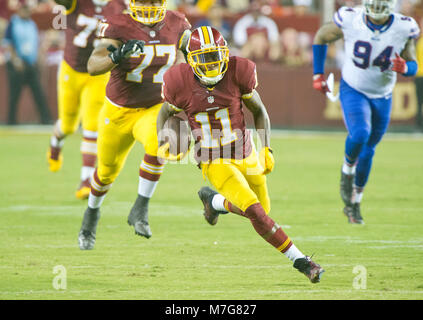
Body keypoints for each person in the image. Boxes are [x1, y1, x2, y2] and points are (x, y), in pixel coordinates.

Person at [156, 26, 325, 283]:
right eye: (204, 58)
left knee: (261, 211)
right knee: (257, 213)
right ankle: (302, 262)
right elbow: (164, 113)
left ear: (225, 53)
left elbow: (259, 110)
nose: (212, 64)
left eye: (215, 56)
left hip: (245, 150)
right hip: (212, 158)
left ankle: (213, 202)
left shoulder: (239, 71)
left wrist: (266, 147)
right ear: (191, 60)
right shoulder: (179, 82)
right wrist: (164, 139)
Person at [77, 0, 192, 250]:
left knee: (161, 142)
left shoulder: (177, 23)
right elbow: (93, 65)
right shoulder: (117, 24)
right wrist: (117, 56)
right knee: (106, 172)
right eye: (143, 1)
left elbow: (191, 52)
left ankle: (141, 206)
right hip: (117, 112)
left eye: (153, 1)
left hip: (152, 107)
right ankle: (91, 215)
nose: (149, 6)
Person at [312, 0, 419, 224]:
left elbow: (413, 64)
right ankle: (346, 169)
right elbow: (321, 35)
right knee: (360, 133)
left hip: (383, 95)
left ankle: (355, 202)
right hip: (354, 88)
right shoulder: (351, 18)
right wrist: (317, 74)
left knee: (369, 150)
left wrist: (405, 68)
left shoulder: (403, 26)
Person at [47, 0, 128, 200]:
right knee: (68, 125)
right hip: (72, 69)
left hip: (98, 71)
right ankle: (56, 141)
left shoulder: (119, 6)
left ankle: (85, 180)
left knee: (92, 125)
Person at [3, 2, 52, 125]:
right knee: (14, 94)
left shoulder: (32, 24)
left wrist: (38, 59)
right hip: (17, 64)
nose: (27, 12)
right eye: (24, 10)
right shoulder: (13, 23)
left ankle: (45, 120)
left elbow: (35, 43)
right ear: (19, 10)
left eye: (28, 10)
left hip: (30, 63)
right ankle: (11, 121)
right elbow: (8, 43)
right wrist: (15, 60)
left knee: (38, 93)